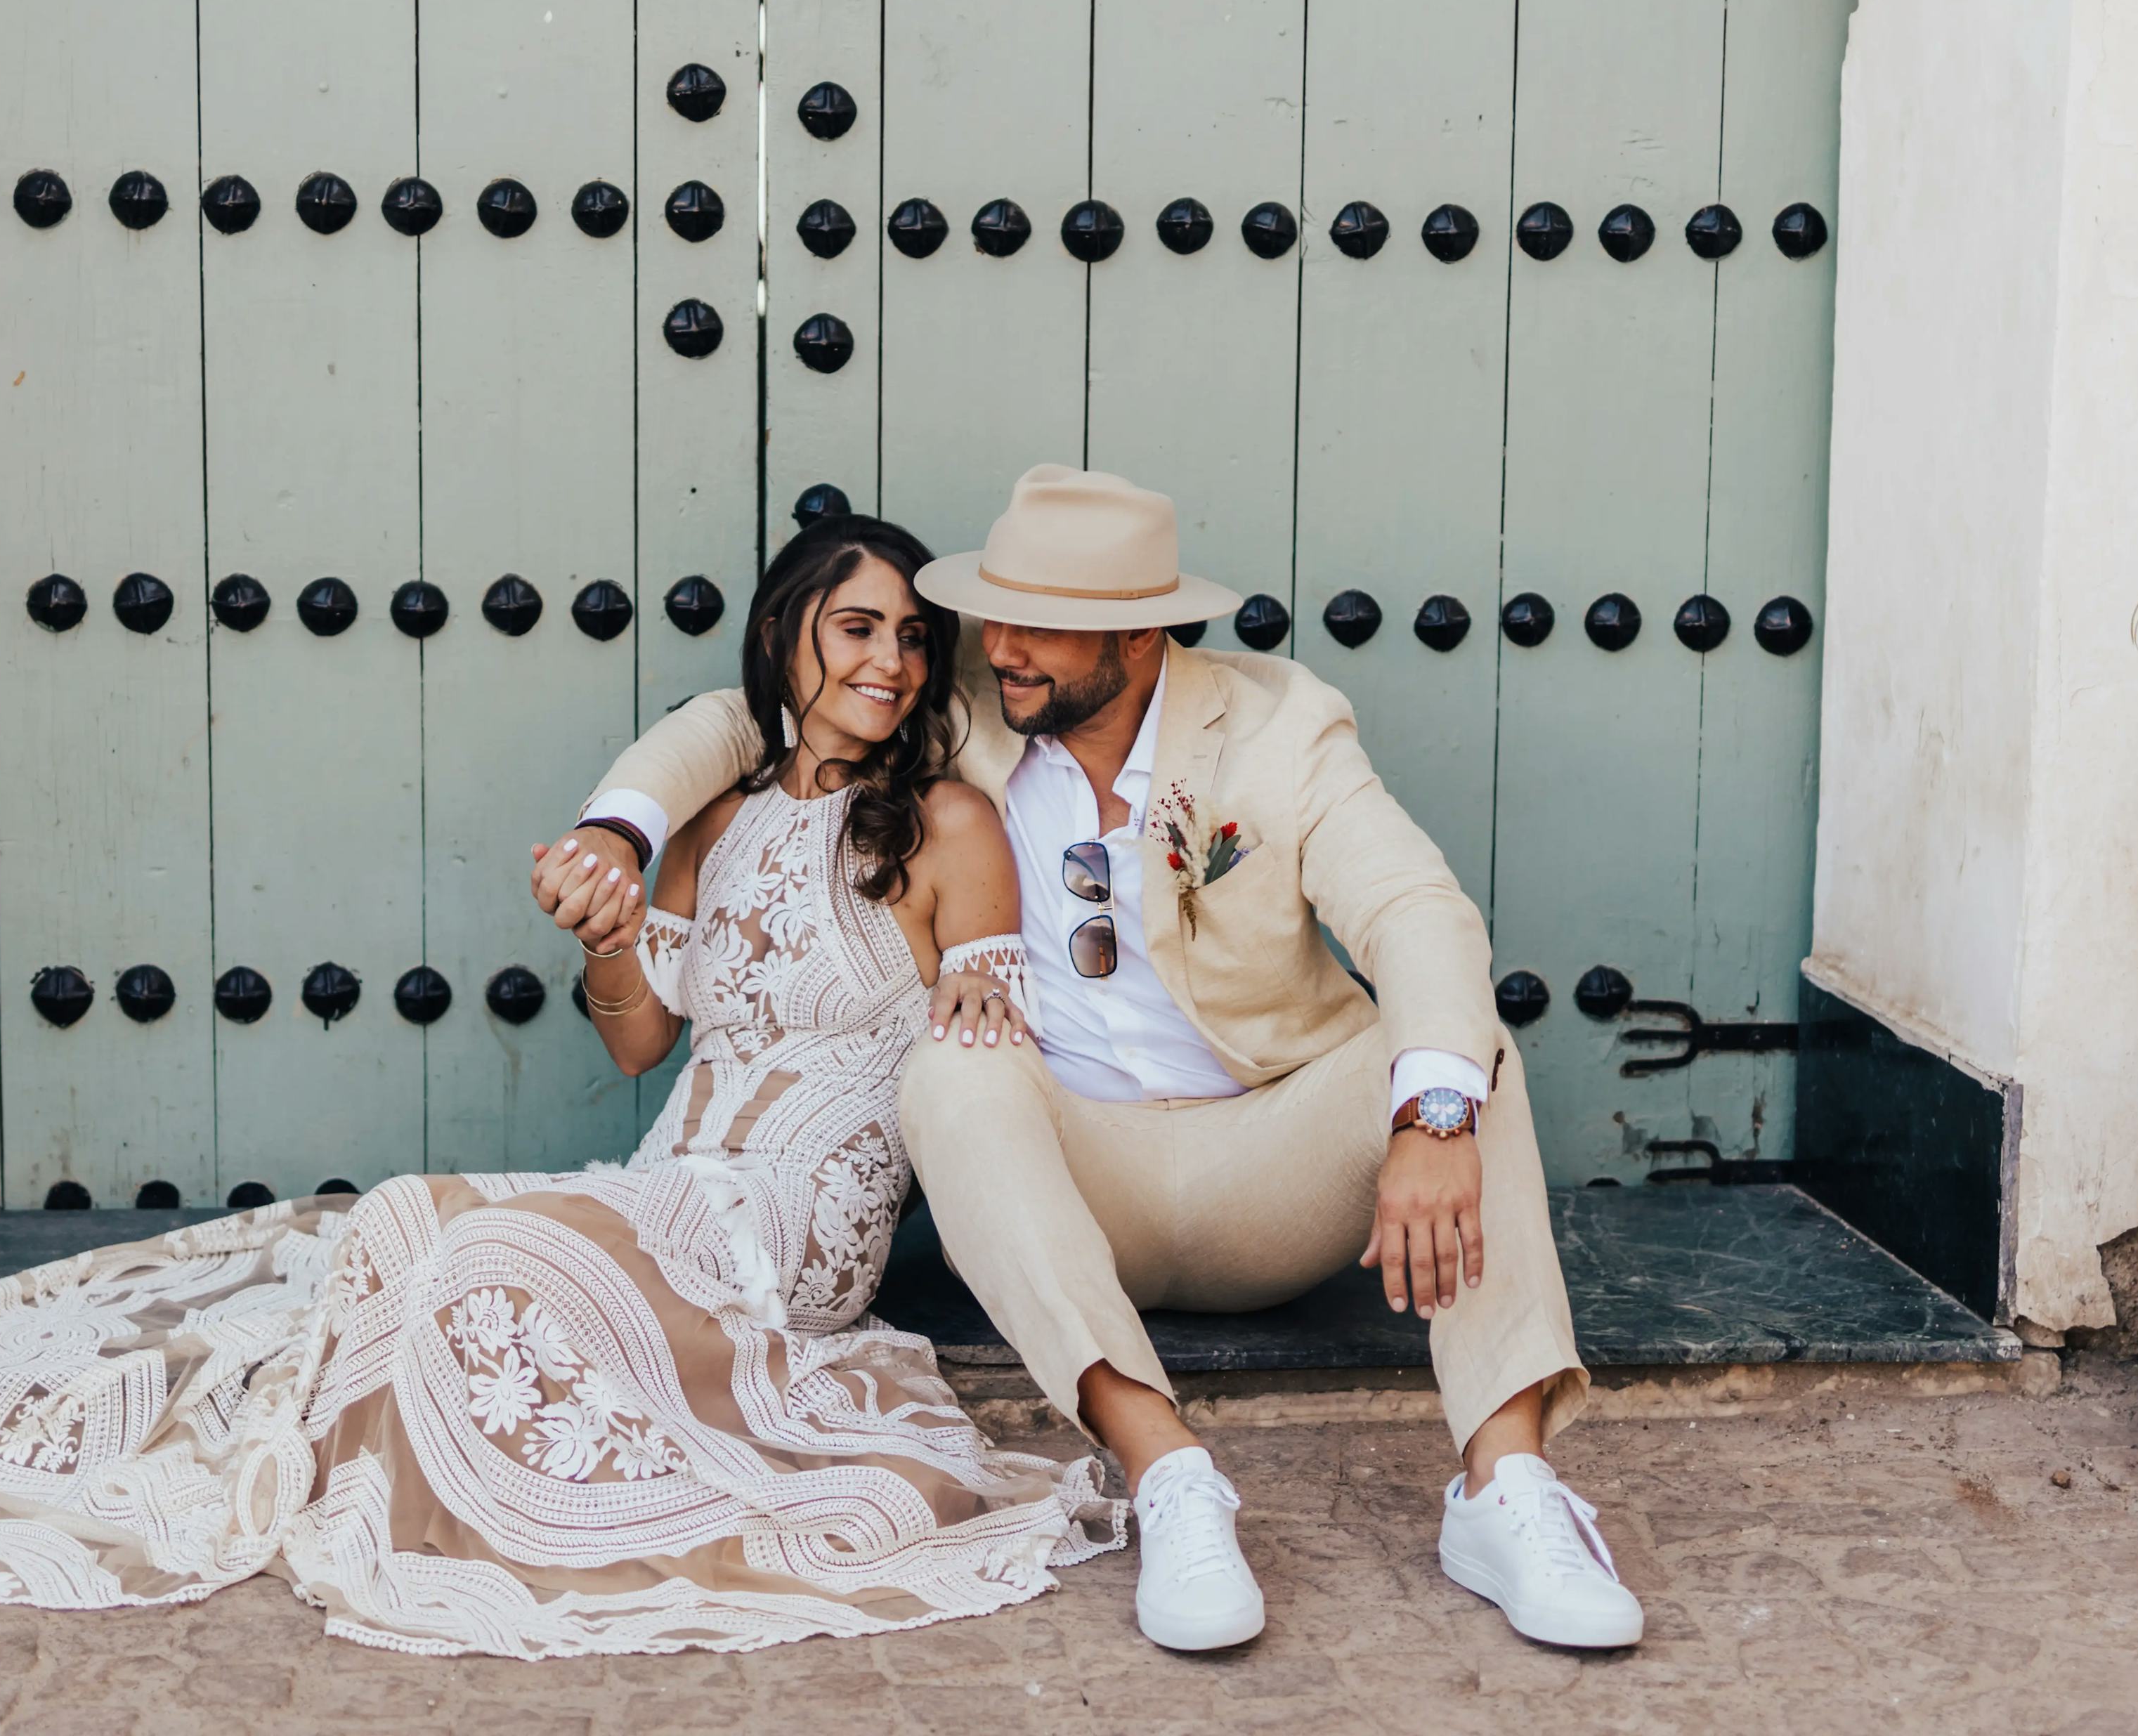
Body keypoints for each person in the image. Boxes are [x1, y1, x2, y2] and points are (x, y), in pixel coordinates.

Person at [0, 517, 1122, 1660]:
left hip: (798, 1224)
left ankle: (427, 1504)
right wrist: (609, 942)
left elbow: (990, 1002)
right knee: (393, 1223)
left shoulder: (946, 821)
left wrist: (976, 994)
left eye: (907, 639)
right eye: (856, 629)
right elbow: (641, 1046)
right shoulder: (714, 829)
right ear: (789, 642)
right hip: (676, 1179)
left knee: (470, 1243)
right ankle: (302, 1463)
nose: (889, 662)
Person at [541, 464, 1645, 1653]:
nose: (997, 645)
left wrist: (1431, 1122)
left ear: (1139, 633)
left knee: (1465, 1052)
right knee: (954, 1066)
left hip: (1269, 1158)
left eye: (1038, 626)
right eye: (993, 615)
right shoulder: (971, 702)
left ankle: (1504, 1489)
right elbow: (743, 717)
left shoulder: (1281, 728)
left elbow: (1415, 907)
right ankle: (1168, 1476)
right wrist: (620, 829)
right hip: (1073, 1171)